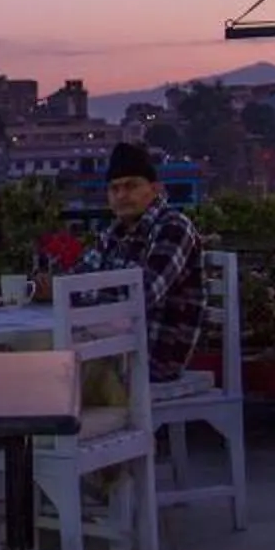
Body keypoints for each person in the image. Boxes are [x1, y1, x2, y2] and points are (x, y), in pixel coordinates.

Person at [65, 141, 207, 382]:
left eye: (131, 186)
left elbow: (141, 293)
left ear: (155, 189)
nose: (121, 196)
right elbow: (77, 278)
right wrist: (58, 287)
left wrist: (75, 292)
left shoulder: (172, 227)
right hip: (114, 346)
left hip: (153, 359)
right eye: (114, 189)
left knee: (50, 366)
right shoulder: (114, 233)